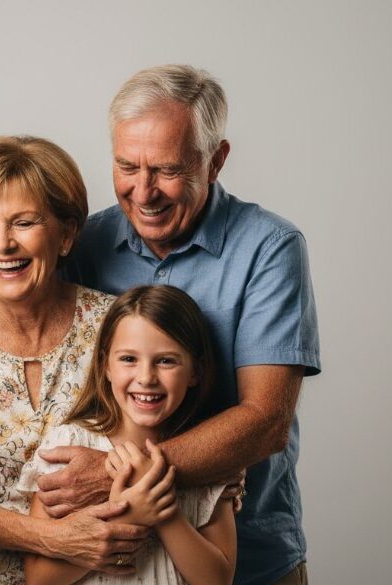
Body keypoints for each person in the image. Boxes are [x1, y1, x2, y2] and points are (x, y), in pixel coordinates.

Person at [50, 65, 320, 585]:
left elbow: (266, 421)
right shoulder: (86, 246)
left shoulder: (270, 249)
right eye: (127, 166)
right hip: (118, 565)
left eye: (167, 170)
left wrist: (113, 473)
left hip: (251, 560)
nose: (144, 192)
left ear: (216, 160)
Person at [0, 135, 148, 585]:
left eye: (23, 223)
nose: (3, 244)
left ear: (65, 234)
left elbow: (155, 438)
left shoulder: (113, 325)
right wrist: (56, 539)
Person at [19, 285, 236, 585]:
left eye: (166, 360)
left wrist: (165, 512)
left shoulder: (208, 454)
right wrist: (130, 516)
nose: (146, 378)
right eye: (129, 359)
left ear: (195, 372)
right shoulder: (67, 447)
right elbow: (39, 579)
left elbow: (218, 580)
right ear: (105, 365)